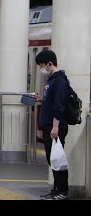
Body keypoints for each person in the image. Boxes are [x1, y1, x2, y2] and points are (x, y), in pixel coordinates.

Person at [34, 49, 69, 200]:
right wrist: (41, 100)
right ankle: (56, 189)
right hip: (50, 125)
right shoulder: (52, 80)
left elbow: (59, 106)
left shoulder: (60, 81)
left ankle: (62, 191)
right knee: (52, 159)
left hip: (56, 127)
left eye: (42, 65)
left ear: (49, 64)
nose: (42, 69)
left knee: (57, 159)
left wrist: (55, 127)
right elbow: (52, 102)